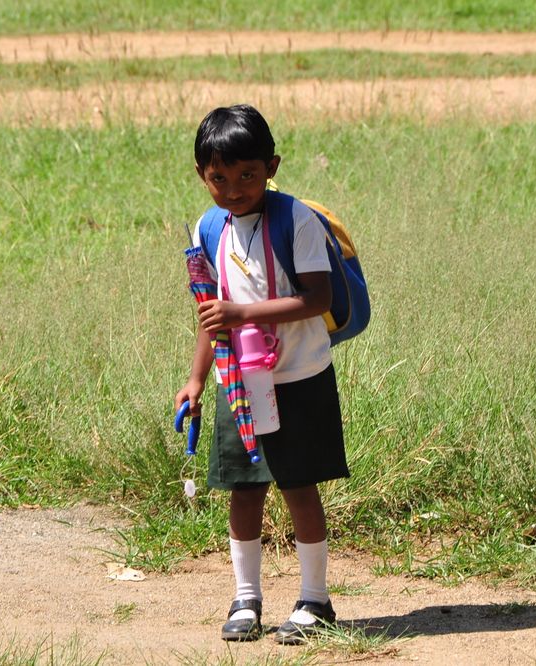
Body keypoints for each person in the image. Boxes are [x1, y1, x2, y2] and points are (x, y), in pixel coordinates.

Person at [174, 104, 349, 644]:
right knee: (243, 493)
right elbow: (212, 313)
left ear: (272, 166)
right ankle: (246, 599)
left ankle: (315, 601)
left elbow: (315, 297)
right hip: (237, 383)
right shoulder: (210, 229)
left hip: (300, 376)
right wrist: (197, 379)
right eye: (219, 178)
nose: (233, 188)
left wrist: (241, 314)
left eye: (247, 175)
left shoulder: (295, 219)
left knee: (299, 487)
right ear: (201, 175)